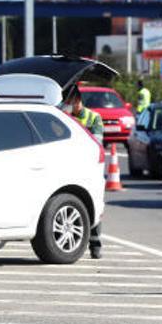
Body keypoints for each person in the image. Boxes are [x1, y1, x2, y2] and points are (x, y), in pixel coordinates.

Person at [62, 87, 104, 260]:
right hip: (67, 168)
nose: (70, 105)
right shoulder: (63, 117)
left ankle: (95, 246)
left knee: (93, 206)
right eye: (68, 102)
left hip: (89, 170)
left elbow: (97, 142)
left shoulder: (94, 118)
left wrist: (76, 126)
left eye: (72, 102)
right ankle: (66, 244)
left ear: (78, 100)